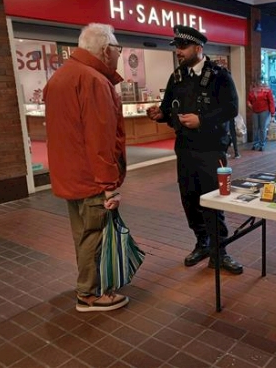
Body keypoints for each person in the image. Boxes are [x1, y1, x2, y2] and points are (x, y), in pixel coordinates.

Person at [43, 23, 129, 312]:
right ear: (105, 50)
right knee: (95, 235)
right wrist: (109, 186)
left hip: (70, 175)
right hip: (91, 177)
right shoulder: (93, 81)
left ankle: (88, 287)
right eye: (117, 48)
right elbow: (100, 139)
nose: (118, 54)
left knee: (83, 234)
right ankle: (90, 294)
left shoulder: (60, 76)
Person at [147, 25, 243, 275]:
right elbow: (168, 108)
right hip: (185, 149)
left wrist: (202, 120)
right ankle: (203, 243)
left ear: (198, 48)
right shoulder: (177, 77)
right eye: (176, 47)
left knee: (213, 199)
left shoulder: (219, 75)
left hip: (212, 150)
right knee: (189, 199)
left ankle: (220, 252)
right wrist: (160, 114)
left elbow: (231, 108)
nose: (178, 51)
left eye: (183, 47)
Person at [247, 81, 276, 151]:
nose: (259, 84)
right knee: (255, 128)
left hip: (264, 110)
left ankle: (262, 144)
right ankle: (255, 143)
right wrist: (249, 104)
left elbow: (271, 101)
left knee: (262, 128)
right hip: (255, 111)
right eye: (257, 83)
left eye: (260, 83)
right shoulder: (253, 91)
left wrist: (272, 112)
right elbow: (249, 100)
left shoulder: (267, 90)